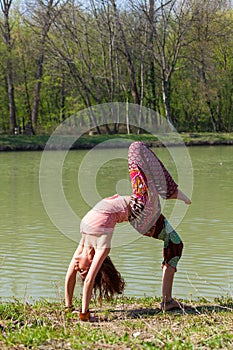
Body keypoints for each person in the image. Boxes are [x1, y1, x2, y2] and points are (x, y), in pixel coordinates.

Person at [65, 141, 191, 321]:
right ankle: (172, 191)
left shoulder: (84, 244)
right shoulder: (101, 246)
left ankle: (167, 301)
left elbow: (71, 276)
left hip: (142, 213)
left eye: (81, 269)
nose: (78, 267)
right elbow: (89, 281)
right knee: (136, 148)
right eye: (83, 269)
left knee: (174, 244)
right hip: (142, 209)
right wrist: (84, 313)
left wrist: (68, 307)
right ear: (93, 261)